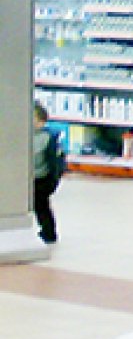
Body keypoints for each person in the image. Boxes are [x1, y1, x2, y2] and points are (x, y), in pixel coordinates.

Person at [31, 102, 60, 244]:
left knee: (41, 206)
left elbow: (55, 163)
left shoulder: (47, 138)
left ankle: (49, 232)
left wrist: (53, 180)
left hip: (41, 178)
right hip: (29, 178)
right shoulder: (25, 135)